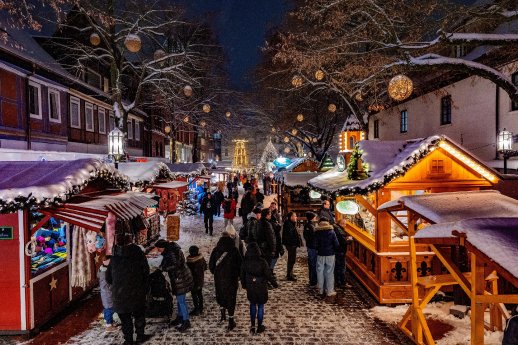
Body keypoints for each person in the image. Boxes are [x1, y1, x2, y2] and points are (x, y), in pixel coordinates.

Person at [106, 235, 150, 344]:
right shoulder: (138, 253)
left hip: (120, 294)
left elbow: (108, 278)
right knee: (139, 315)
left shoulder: (114, 257)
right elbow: (146, 272)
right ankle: (140, 336)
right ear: (131, 241)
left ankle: (128, 340)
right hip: (137, 291)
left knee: (125, 319)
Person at [155, 239, 194, 332]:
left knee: (181, 301)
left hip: (180, 278)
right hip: (180, 277)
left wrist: (164, 268)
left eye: (158, 249)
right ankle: (180, 317)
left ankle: (186, 320)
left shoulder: (171, 253)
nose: (158, 250)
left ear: (163, 247)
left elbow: (176, 265)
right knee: (180, 299)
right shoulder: (171, 250)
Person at [241, 242, 278, 335]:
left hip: (250, 286)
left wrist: (244, 284)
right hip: (261, 286)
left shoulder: (245, 261)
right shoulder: (262, 261)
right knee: (261, 306)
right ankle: (259, 326)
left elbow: (242, 275)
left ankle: (253, 325)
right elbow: (268, 274)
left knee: (252, 304)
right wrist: (274, 284)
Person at [209, 233, 242, 331]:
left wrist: (217, 273)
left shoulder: (216, 250)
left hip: (219, 279)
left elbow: (211, 266)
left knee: (221, 295)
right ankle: (231, 320)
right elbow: (240, 264)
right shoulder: (234, 250)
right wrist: (238, 275)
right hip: (231, 279)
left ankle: (222, 315)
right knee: (231, 298)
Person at [315, 217, 339, 297]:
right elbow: (336, 244)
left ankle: (321, 290)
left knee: (320, 272)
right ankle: (329, 291)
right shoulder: (331, 231)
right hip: (330, 254)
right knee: (329, 272)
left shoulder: (317, 232)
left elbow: (315, 244)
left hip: (320, 254)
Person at [186, 245, 207, 316]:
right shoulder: (201, 259)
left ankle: (196, 309)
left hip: (193, 281)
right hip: (200, 279)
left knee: (194, 295)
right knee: (200, 294)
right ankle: (201, 307)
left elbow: (188, 271)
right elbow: (205, 267)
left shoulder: (190, 262)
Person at [282, 211, 302, 281]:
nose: (296, 217)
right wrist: (294, 243)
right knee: (291, 260)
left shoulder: (291, 223)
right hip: (291, 245)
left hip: (292, 244)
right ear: (291, 217)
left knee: (292, 260)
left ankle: (290, 273)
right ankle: (289, 275)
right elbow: (290, 236)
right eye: (295, 216)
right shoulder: (288, 224)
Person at [98, 256, 116, 332]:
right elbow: (109, 285)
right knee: (110, 309)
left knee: (107, 308)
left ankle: (107, 320)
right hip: (108, 294)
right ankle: (109, 325)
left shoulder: (101, 269)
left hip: (105, 293)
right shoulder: (106, 273)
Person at [303, 212, 318, 287]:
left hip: (311, 246)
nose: (316, 218)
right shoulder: (310, 226)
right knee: (313, 264)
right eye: (315, 217)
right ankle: (313, 281)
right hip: (312, 247)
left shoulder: (309, 225)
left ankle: (313, 280)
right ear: (312, 218)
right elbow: (311, 237)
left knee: (312, 264)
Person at [334, 219, 349, 289]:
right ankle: (341, 282)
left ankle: (338, 281)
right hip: (340, 251)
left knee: (338, 267)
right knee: (341, 267)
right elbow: (343, 241)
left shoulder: (337, 229)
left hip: (338, 251)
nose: (345, 225)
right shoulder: (339, 230)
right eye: (344, 224)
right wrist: (349, 239)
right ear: (340, 223)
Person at [269, 203, 284, 271]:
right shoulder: (267, 213)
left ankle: (271, 269)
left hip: (275, 234)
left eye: (273, 207)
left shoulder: (277, 215)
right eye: (271, 206)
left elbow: (280, 225)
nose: (272, 208)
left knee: (275, 255)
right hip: (270, 235)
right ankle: (270, 269)